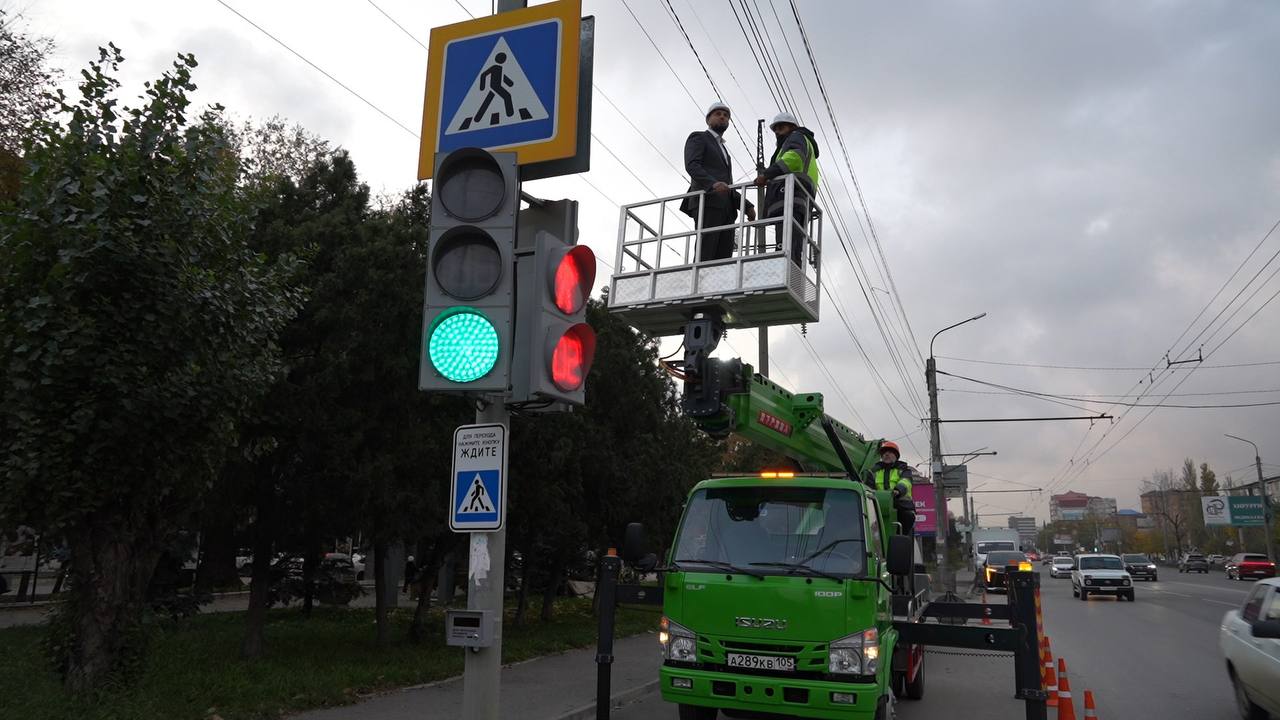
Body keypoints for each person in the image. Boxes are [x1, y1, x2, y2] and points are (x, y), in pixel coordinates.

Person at [681, 101, 755, 262]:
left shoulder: (724, 150)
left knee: (724, 257)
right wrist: (712, 184)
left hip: (727, 209)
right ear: (708, 119)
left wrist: (746, 205)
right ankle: (698, 284)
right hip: (707, 202)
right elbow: (692, 165)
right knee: (706, 251)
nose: (722, 117)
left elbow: (727, 185)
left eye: (726, 115)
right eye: (718, 114)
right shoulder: (699, 137)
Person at [755, 112, 820, 266]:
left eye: (781, 127)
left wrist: (767, 175)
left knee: (787, 244)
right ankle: (791, 271)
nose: (777, 131)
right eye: (775, 129)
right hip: (799, 197)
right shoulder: (802, 140)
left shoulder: (795, 137)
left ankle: (785, 270)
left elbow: (794, 159)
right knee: (793, 244)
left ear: (792, 127)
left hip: (790, 195)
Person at [866, 441, 916, 535]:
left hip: (901, 505)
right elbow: (869, 487)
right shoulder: (874, 471)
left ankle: (902, 539)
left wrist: (898, 490)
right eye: (884, 453)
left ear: (896, 456)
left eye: (890, 452)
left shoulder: (904, 469)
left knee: (908, 516)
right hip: (879, 505)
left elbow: (906, 482)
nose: (886, 454)